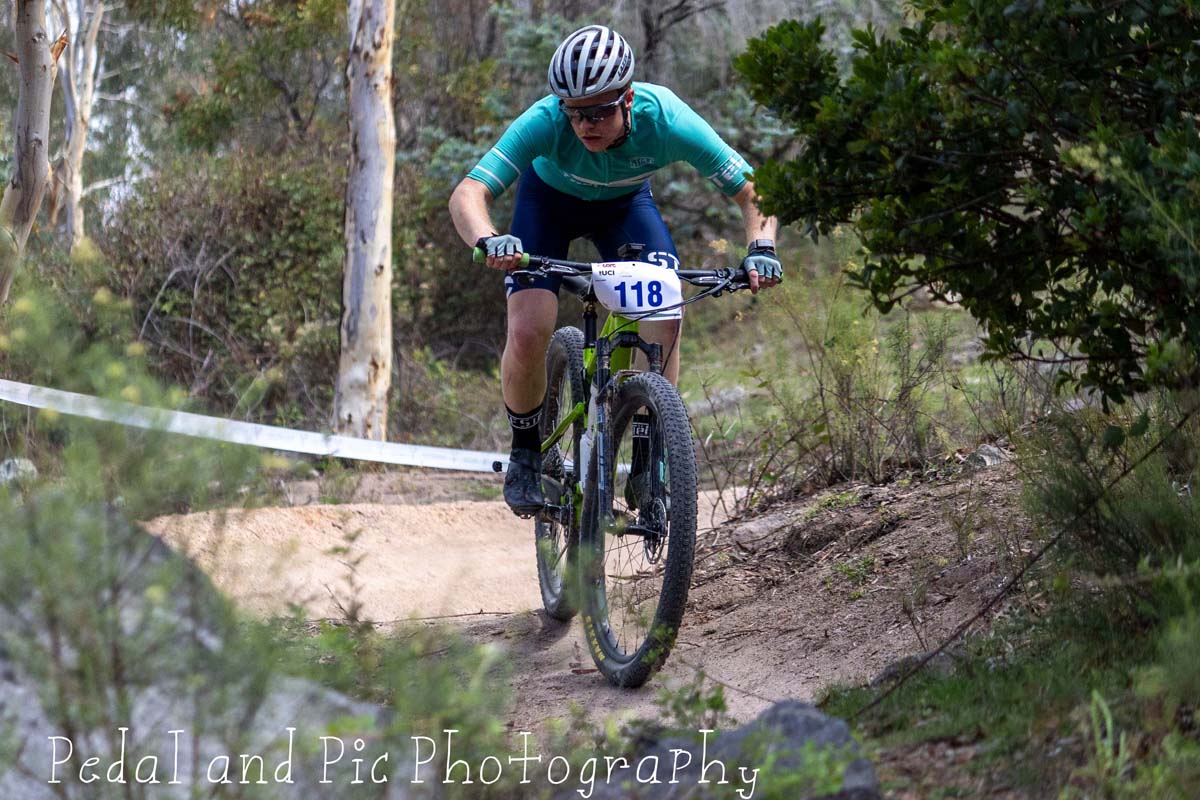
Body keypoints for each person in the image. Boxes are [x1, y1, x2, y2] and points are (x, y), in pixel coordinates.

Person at [448, 24, 782, 516]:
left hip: (624, 208)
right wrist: (488, 238)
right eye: (575, 112)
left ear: (628, 99)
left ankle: (649, 452)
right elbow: (468, 193)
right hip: (547, 207)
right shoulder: (545, 120)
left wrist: (762, 247)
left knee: (665, 307)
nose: (586, 125)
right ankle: (526, 452)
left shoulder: (666, 119)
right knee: (528, 329)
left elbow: (754, 192)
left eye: (600, 111)